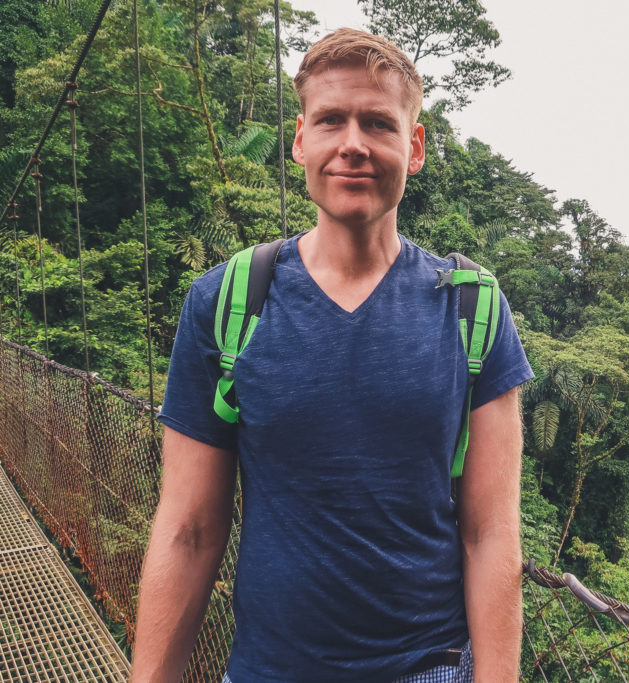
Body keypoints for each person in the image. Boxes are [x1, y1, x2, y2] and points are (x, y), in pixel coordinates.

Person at [131, 27, 533, 683]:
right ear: (299, 140)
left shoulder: (471, 307)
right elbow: (190, 530)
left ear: (415, 145)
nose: (352, 143)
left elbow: (491, 534)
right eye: (330, 120)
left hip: (428, 667)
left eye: (377, 122)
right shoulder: (228, 302)